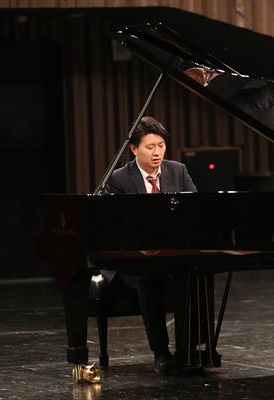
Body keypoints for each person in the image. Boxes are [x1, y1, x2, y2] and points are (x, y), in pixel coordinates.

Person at [104, 116, 197, 373]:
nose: (157, 152)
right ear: (134, 149)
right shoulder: (119, 179)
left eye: (161, 145)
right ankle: (161, 352)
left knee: (194, 276)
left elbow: (195, 210)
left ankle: (190, 349)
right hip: (131, 261)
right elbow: (113, 227)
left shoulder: (178, 171)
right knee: (149, 278)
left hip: (170, 255)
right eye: (150, 147)